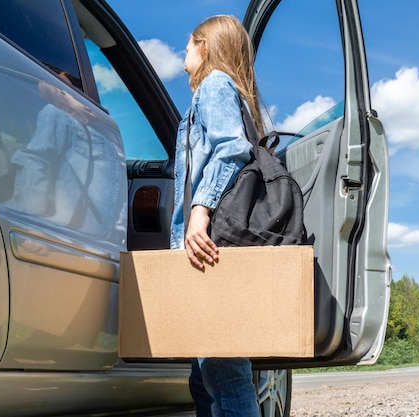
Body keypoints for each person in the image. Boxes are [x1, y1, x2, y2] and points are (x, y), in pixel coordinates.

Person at [169, 15, 264, 417]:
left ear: (205, 47)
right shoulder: (230, 92)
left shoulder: (214, 85)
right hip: (214, 245)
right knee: (207, 374)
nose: (183, 54)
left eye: (189, 45)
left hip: (210, 243)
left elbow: (231, 149)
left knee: (223, 374)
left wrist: (199, 210)